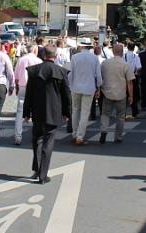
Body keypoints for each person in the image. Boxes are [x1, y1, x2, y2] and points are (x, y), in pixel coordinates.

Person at [23, 45, 71, 184]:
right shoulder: (61, 72)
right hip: (54, 110)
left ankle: (38, 169)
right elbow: (66, 94)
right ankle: (43, 174)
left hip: (37, 109)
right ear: (55, 56)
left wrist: (26, 112)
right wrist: (67, 112)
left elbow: (29, 93)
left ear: (43, 55)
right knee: (48, 142)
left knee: (36, 139)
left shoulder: (34, 71)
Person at [98, 44, 135, 144]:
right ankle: (118, 136)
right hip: (121, 94)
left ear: (113, 51)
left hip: (107, 92)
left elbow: (100, 78)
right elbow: (129, 82)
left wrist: (99, 90)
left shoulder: (105, 63)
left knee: (105, 114)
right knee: (120, 116)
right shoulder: (126, 64)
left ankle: (104, 131)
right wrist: (131, 95)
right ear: (122, 52)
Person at [67, 39, 101, 145]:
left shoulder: (74, 57)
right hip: (89, 87)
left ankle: (74, 133)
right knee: (85, 113)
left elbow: (70, 74)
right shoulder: (94, 58)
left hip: (75, 87)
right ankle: (80, 136)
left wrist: (70, 85)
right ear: (89, 47)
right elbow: (98, 76)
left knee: (75, 111)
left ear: (81, 46)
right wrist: (99, 87)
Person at [14, 43, 42, 145]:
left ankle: (18, 136)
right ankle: (36, 135)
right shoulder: (38, 61)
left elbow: (16, 77)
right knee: (36, 111)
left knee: (20, 111)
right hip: (35, 88)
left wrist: (16, 88)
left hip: (23, 86)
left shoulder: (21, 60)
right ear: (35, 50)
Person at [124, 42, 142, 117]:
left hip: (124, 76)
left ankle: (123, 112)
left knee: (124, 94)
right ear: (134, 48)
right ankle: (134, 111)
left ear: (127, 47)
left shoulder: (123, 56)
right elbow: (139, 67)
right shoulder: (136, 56)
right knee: (133, 93)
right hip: (133, 76)